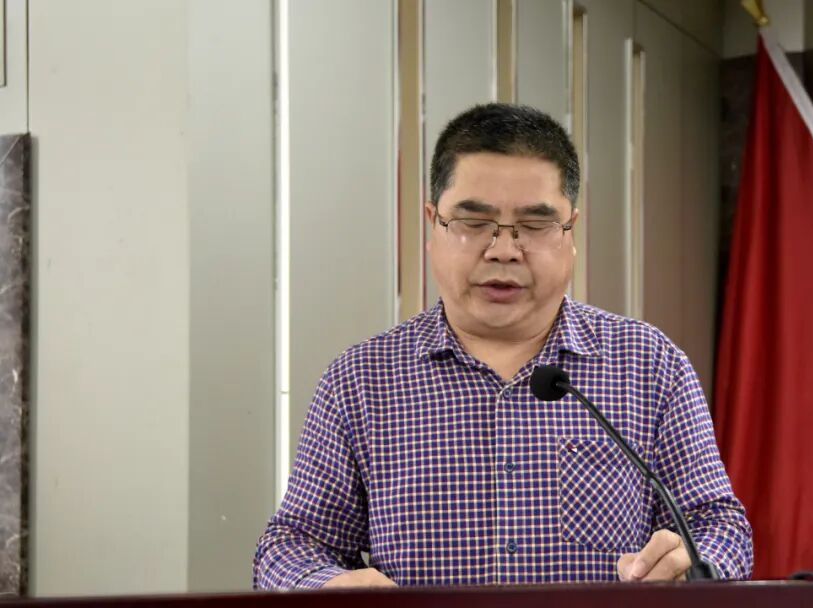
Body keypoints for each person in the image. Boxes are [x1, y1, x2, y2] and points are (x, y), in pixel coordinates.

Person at [253, 103, 752, 588]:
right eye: (474, 223)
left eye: (535, 225)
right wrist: (328, 584)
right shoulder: (362, 378)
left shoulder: (648, 364)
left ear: (570, 231)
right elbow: (292, 544)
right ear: (433, 223)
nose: (504, 250)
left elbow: (720, 525)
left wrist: (693, 562)